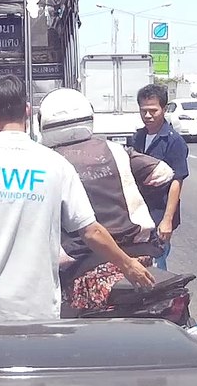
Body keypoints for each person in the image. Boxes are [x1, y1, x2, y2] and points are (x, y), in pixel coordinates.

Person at [0, 74, 155, 322]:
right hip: (37, 310)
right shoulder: (56, 165)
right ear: (27, 110)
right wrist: (127, 264)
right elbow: (91, 231)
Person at [36, 88, 174, 311]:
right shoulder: (115, 150)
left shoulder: (44, 160)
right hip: (139, 257)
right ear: (88, 115)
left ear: (43, 122)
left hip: (80, 266)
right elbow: (163, 173)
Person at [130, 84, 189, 270]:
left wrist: (167, 219)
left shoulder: (173, 141)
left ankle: (163, 298)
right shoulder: (137, 137)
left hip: (159, 212)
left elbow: (176, 181)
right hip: (139, 212)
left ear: (164, 109)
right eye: (143, 111)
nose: (148, 115)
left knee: (157, 260)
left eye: (153, 110)